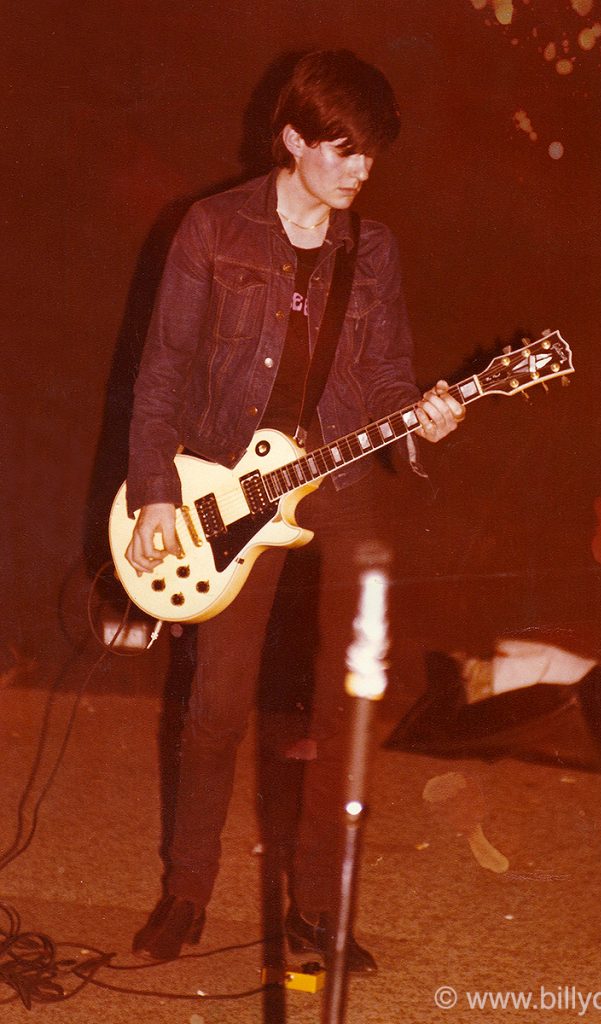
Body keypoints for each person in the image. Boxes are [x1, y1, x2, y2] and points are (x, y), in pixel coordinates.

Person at [124, 49, 464, 971]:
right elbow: (158, 375)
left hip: (342, 481)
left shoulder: (374, 248)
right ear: (293, 139)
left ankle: (317, 909)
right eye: (345, 148)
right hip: (227, 481)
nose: (361, 169)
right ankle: (185, 892)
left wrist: (424, 423)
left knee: (350, 702)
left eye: (372, 154)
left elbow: (390, 379)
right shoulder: (212, 230)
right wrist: (157, 494)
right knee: (217, 703)